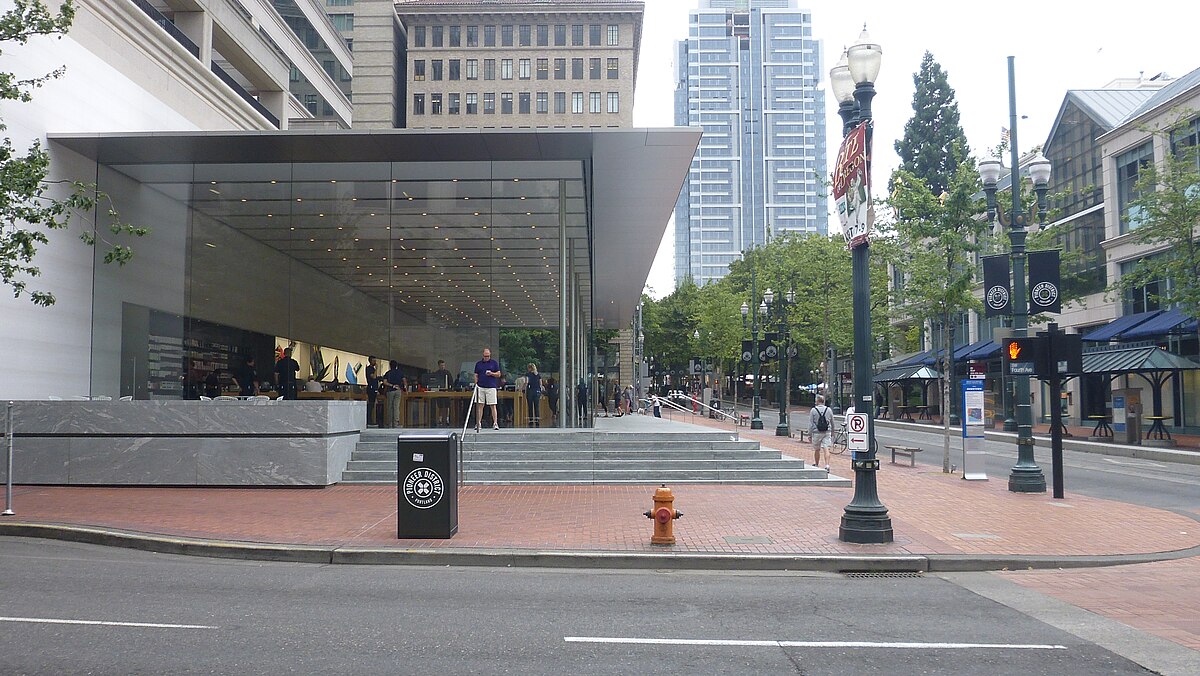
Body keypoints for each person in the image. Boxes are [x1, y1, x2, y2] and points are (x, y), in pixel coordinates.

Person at [473, 347, 502, 431]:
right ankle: (478, 423)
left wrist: (492, 373)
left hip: (491, 386)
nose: (487, 358)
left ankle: (495, 423)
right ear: (483, 355)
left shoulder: (494, 363)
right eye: (485, 356)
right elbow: (475, 374)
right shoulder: (478, 364)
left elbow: (499, 374)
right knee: (480, 405)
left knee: (493, 405)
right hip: (480, 386)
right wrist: (476, 384)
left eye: (488, 356)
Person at [810, 394, 834, 472]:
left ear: (817, 401)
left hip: (817, 432)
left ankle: (816, 464)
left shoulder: (813, 410)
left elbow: (811, 423)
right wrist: (833, 431)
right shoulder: (829, 410)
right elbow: (832, 422)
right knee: (826, 448)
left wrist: (809, 434)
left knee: (817, 449)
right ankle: (827, 465)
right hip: (827, 431)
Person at [431, 359, 453, 426]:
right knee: (440, 405)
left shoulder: (447, 373)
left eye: (443, 365)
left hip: (447, 391)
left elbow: (451, 382)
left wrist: (449, 389)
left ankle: (447, 419)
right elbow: (434, 382)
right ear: (439, 366)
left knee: (447, 406)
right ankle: (440, 419)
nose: (443, 366)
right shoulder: (436, 373)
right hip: (439, 391)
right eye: (441, 365)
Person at [383, 360, 405, 427]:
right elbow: (404, 381)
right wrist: (405, 389)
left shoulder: (388, 373)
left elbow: (384, 382)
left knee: (390, 407)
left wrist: (392, 385)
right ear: (396, 366)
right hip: (398, 390)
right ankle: (396, 423)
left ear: (390, 365)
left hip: (390, 391)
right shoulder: (400, 373)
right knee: (396, 407)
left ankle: (390, 423)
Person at [525, 363, 542, 427]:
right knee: (536, 406)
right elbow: (540, 384)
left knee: (530, 406)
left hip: (530, 391)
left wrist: (523, 389)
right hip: (537, 391)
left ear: (529, 368)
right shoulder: (538, 375)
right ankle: (537, 420)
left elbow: (526, 382)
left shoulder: (528, 374)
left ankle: (531, 420)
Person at [365, 358, 379, 426]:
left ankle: (370, 419)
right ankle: (369, 420)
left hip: (374, 388)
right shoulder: (369, 369)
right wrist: (376, 369)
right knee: (370, 405)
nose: (375, 362)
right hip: (371, 388)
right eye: (374, 360)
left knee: (372, 405)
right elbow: (373, 377)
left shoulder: (372, 369)